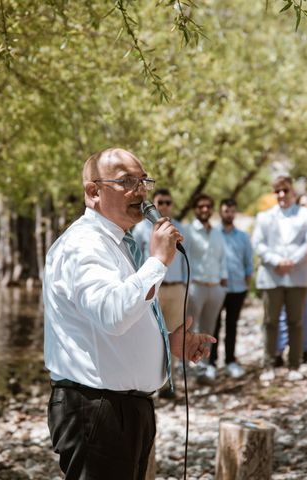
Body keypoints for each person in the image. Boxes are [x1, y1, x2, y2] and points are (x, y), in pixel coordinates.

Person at [43, 148, 216, 479]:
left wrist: (167, 342)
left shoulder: (119, 244)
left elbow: (118, 321)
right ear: (93, 191)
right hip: (96, 410)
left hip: (128, 408)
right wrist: (158, 261)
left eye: (143, 181)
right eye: (126, 182)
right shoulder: (83, 245)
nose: (140, 191)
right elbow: (113, 314)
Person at [253, 176, 307, 382]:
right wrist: (277, 261)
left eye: (285, 190)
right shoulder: (264, 217)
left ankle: (295, 365)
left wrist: (292, 261)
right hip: (273, 275)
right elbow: (259, 244)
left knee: (296, 322)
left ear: (293, 192)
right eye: (278, 191)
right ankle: (269, 364)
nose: (281, 195)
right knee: (270, 322)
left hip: (297, 274)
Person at [133, 188, 188, 398]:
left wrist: (185, 287)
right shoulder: (139, 230)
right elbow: (135, 261)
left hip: (176, 289)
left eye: (168, 202)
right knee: (150, 336)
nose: (164, 206)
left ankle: (167, 384)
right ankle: (147, 384)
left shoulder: (180, 229)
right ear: (154, 205)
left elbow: (185, 259)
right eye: (160, 202)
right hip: (151, 291)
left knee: (173, 336)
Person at [186, 193, 228, 384]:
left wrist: (224, 278)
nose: (204, 210)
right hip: (196, 286)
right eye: (201, 206)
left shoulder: (218, 232)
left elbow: (222, 257)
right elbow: (181, 258)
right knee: (188, 327)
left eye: (208, 206)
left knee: (208, 330)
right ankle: (184, 368)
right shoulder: (188, 231)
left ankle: (203, 369)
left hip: (215, 287)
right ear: (195, 209)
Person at [210, 198, 253, 379]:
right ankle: (211, 362)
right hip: (218, 287)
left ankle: (230, 361)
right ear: (221, 212)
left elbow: (248, 262)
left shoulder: (243, 236)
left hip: (238, 288)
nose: (229, 214)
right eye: (226, 211)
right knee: (214, 325)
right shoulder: (213, 234)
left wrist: (248, 281)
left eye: (232, 211)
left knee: (232, 326)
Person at [276, 192, 307, 365]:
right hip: (287, 274)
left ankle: (304, 349)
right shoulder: (288, 224)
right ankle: (279, 350)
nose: (305, 208)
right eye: (302, 205)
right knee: (283, 316)